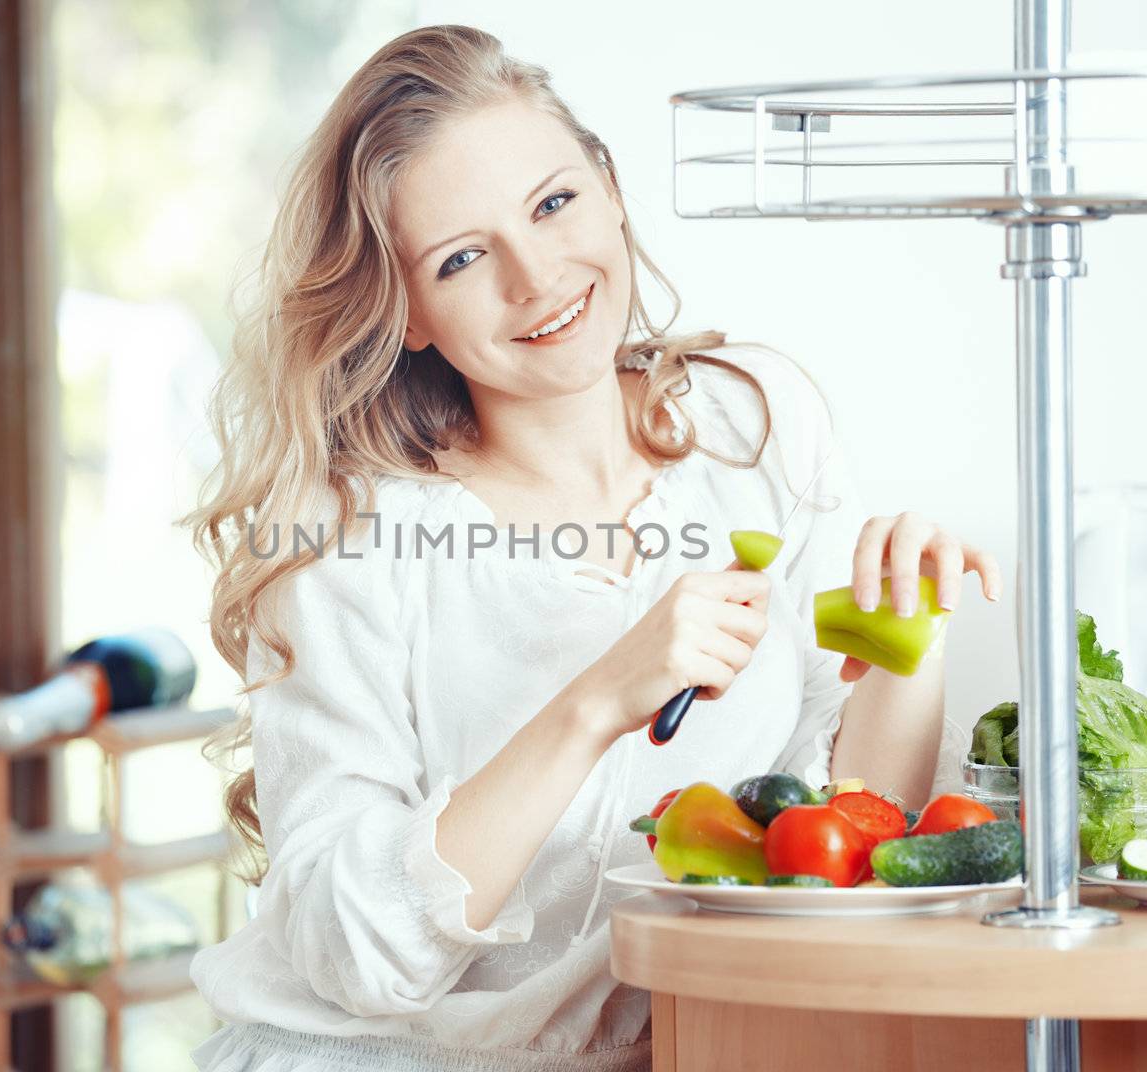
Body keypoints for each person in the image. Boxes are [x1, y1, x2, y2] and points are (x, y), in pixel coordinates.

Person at [182, 23, 1000, 1072]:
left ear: (609, 188)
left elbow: (836, 848)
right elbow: (354, 953)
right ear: (411, 313)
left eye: (554, 203)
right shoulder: (347, 538)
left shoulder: (752, 430)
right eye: (463, 258)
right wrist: (595, 701)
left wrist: (905, 635)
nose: (536, 278)